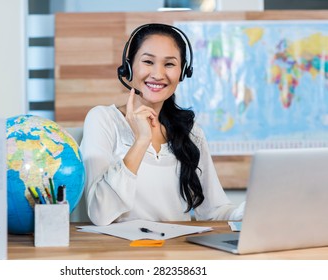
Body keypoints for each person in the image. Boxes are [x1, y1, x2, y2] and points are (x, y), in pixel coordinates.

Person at [80, 23, 244, 226]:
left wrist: (250, 211)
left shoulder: (191, 133)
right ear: (129, 67)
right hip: (123, 253)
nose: (158, 74)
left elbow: (213, 211)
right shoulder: (102, 120)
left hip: (177, 254)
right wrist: (141, 141)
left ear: (183, 72)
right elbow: (99, 213)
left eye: (169, 64)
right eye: (148, 61)